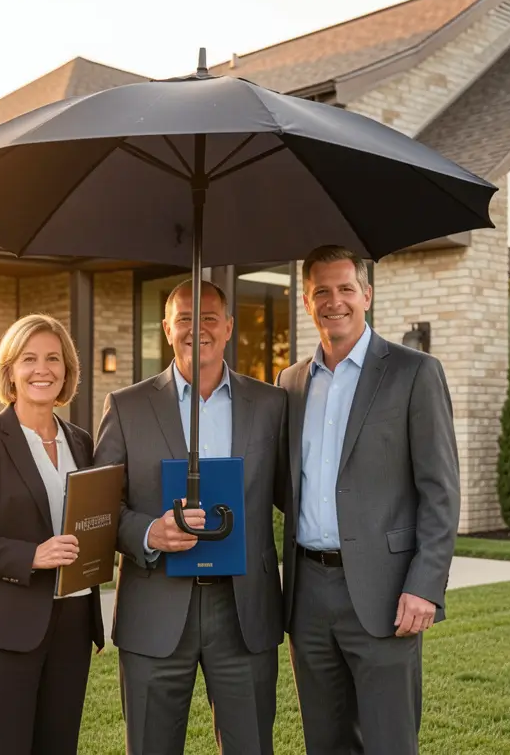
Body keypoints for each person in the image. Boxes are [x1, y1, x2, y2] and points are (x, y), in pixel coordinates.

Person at [276, 245, 460, 754]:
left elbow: (441, 491)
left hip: (387, 592)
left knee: (388, 742)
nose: (334, 301)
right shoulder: (290, 383)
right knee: (324, 742)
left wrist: (425, 586)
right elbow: (282, 484)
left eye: (345, 289)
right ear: (307, 302)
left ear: (367, 295)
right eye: (321, 292)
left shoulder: (414, 372)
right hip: (308, 595)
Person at [94, 279, 289, 755]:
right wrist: (148, 532)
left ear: (229, 327)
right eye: (184, 318)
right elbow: (99, 509)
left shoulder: (271, 404)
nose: (196, 329)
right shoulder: (126, 406)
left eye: (208, 318)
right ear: (166, 328)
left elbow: (296, 492)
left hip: (243, 610)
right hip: (155, 606)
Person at [0, 313, 105, 755]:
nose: (41, 369)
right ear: (10, 371)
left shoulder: (81, 442)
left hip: (71, 624)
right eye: (29, 359)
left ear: (67, 370)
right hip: (1, 627)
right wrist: (31, 555)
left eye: (53, 358)